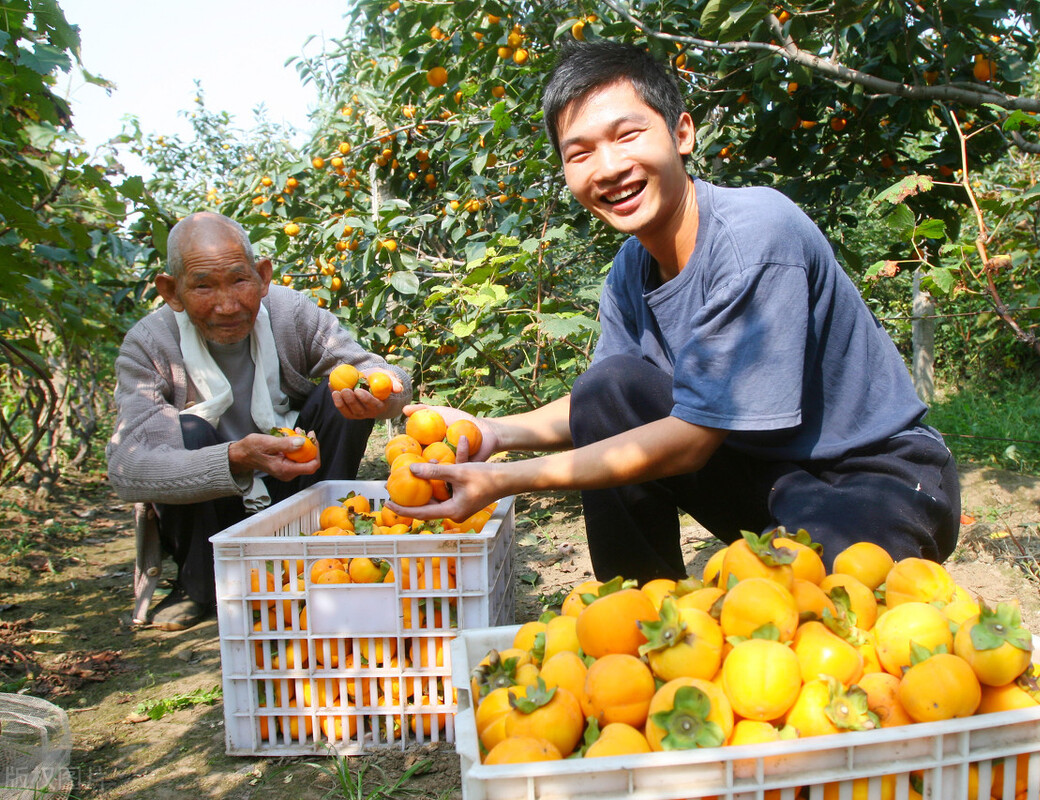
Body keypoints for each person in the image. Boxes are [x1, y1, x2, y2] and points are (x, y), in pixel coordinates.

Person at [393, 40, 960, 584]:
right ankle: (641, 621)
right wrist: (494, 432)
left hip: (874, 480)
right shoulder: (630, 267)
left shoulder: (754, 234)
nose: (608, 167)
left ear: (682, 133)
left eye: (627, 135)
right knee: (607, 386)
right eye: (581, 152)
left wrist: (507, 480)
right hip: (766, 477)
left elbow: (691, 439)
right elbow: (606, 406)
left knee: (811, 625)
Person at [107, 212, 412, 630]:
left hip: (295, 481)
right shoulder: (149, 345)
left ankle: (323, 546)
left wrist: (388, 396)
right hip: (214, 504)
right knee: (189, 430)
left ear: (263, 275)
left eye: (239, 280)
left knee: (342, 392)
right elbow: (130, 468)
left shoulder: (289, 313)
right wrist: (233, 458)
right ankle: (199, 585)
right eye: (202, 286)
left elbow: (377, 372)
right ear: (171, 292)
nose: (228, 305)